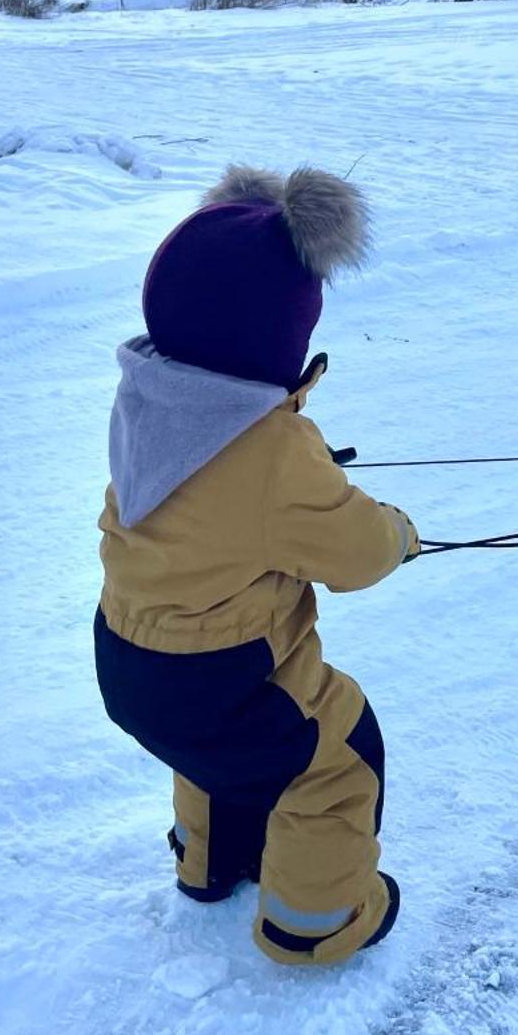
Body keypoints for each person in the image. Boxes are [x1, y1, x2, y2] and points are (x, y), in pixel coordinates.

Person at [93, 164, 417, 965]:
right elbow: (354, 552)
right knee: (334, 759)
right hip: (225, 675)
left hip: (128, 662)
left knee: (212, 753)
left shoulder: (147, 401)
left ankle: (209, 867)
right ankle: (311, 924)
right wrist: (399, 533)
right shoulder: (273, 450)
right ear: (279, 340)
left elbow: (219, 510)